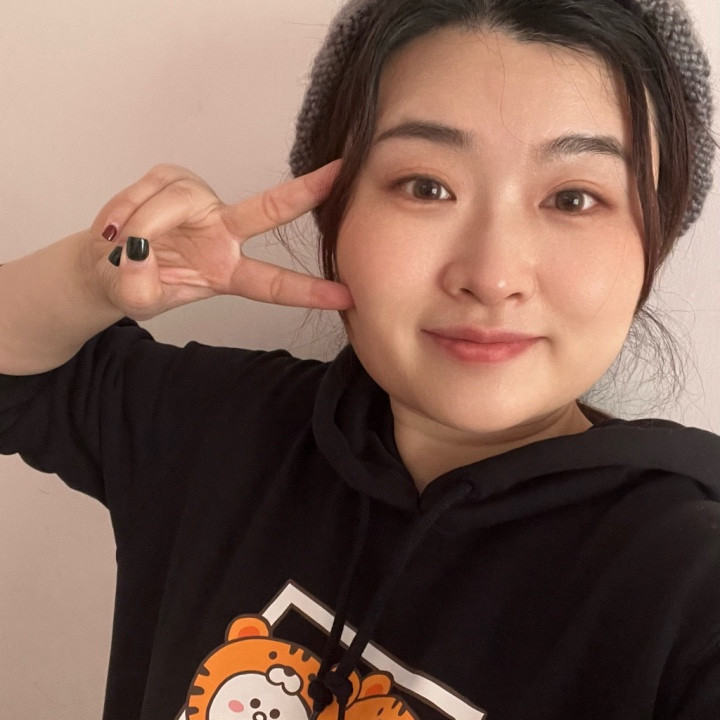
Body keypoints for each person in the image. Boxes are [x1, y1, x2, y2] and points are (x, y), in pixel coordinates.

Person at [1, 0, 718, 718]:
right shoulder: (219, 431)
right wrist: (91, 277)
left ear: (651, 245)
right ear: (335, 215)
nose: (492, 275)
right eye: (426, 187)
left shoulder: (687, 585)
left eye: (573, 198)